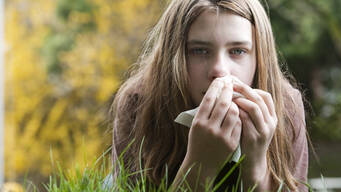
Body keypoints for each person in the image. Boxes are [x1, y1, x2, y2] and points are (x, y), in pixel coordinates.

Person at [111, 0, 308, 191]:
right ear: (175, 55)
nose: (220, 71)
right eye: (199, 51)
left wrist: (256, 168)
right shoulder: (138, 103)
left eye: (238, 51)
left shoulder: (286, 106)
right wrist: (199, 166)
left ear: (259, 57)